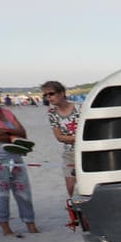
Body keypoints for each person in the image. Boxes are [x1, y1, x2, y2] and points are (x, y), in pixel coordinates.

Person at [0, 80, 37, 238]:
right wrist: (12, 134)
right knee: (1, 194)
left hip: (15, 157)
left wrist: (7, 131)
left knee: (24, 192)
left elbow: (23, 133)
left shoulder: (6, 113)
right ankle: (6, 228)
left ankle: (30, 224)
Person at [43, 80, 81, 212]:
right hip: (69, 152)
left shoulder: (79, 108)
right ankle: (77, 210)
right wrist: (77, 139)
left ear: (62, 93)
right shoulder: (52, 113)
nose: (49, 97)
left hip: (85, 150)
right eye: (46, 95)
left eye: (51, 94)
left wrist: (74, 140)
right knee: (70, 185)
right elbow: (59, 137)